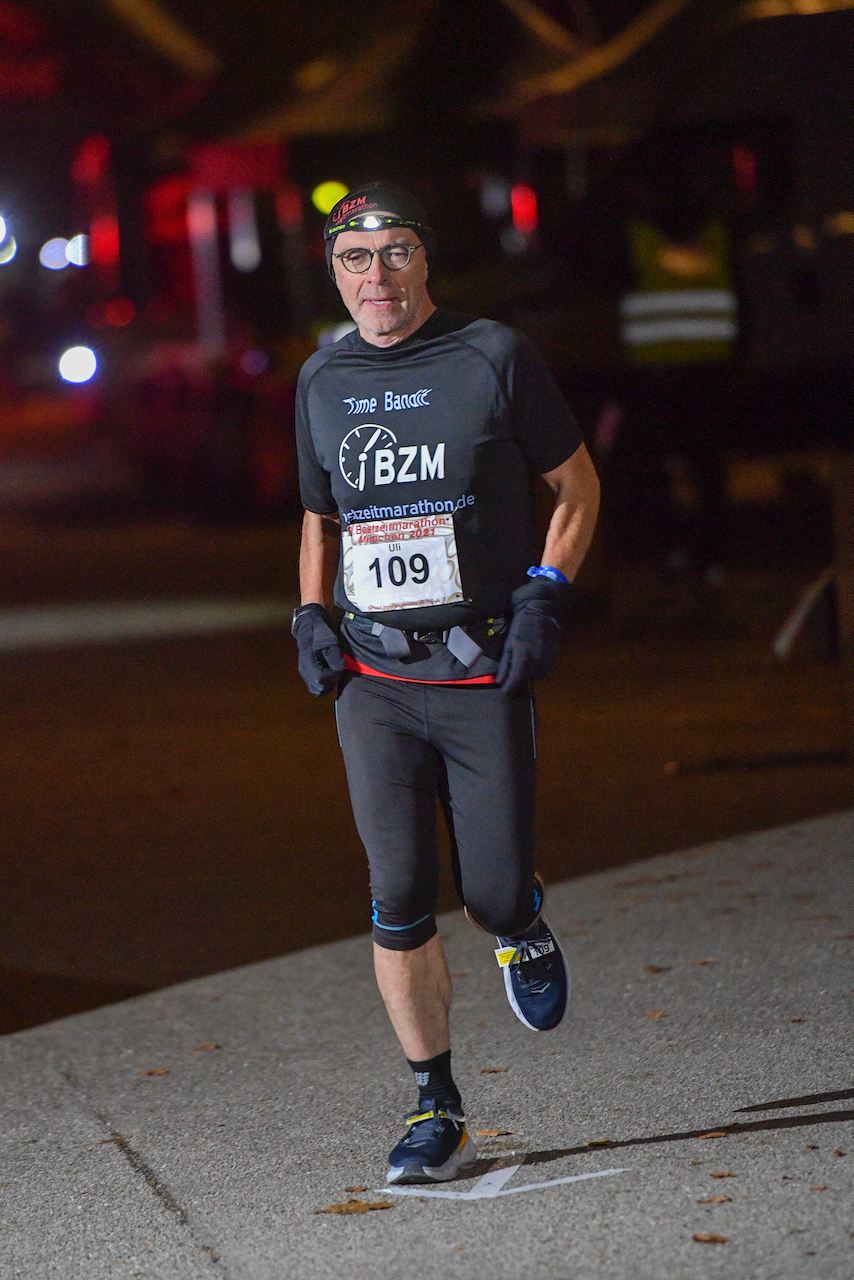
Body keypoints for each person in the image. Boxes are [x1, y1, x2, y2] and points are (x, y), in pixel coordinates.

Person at [292, 183, 600, 1185]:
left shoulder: (491, 355)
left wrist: (546, 594)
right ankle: (436, 1103)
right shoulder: (321, 375)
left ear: (424, 260)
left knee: (494, 888)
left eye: (393, 254)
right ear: (332, 271)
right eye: (352, 259)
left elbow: (577, 485)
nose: (373, 277)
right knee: (396, 890)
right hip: (375, 676)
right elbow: (319, 516)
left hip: (479, 667)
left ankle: (516, 920)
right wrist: (308, 613)